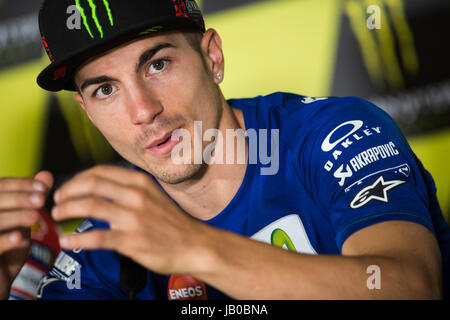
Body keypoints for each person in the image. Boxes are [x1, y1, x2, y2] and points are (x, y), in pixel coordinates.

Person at [0, 0, 449, 300]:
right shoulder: (106, 240)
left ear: (212, 57)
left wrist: (194, 248)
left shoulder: (333, 134)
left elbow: (410, 286)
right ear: (86, 110)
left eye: (157, 64)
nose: (143, 110)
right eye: (105, 90)